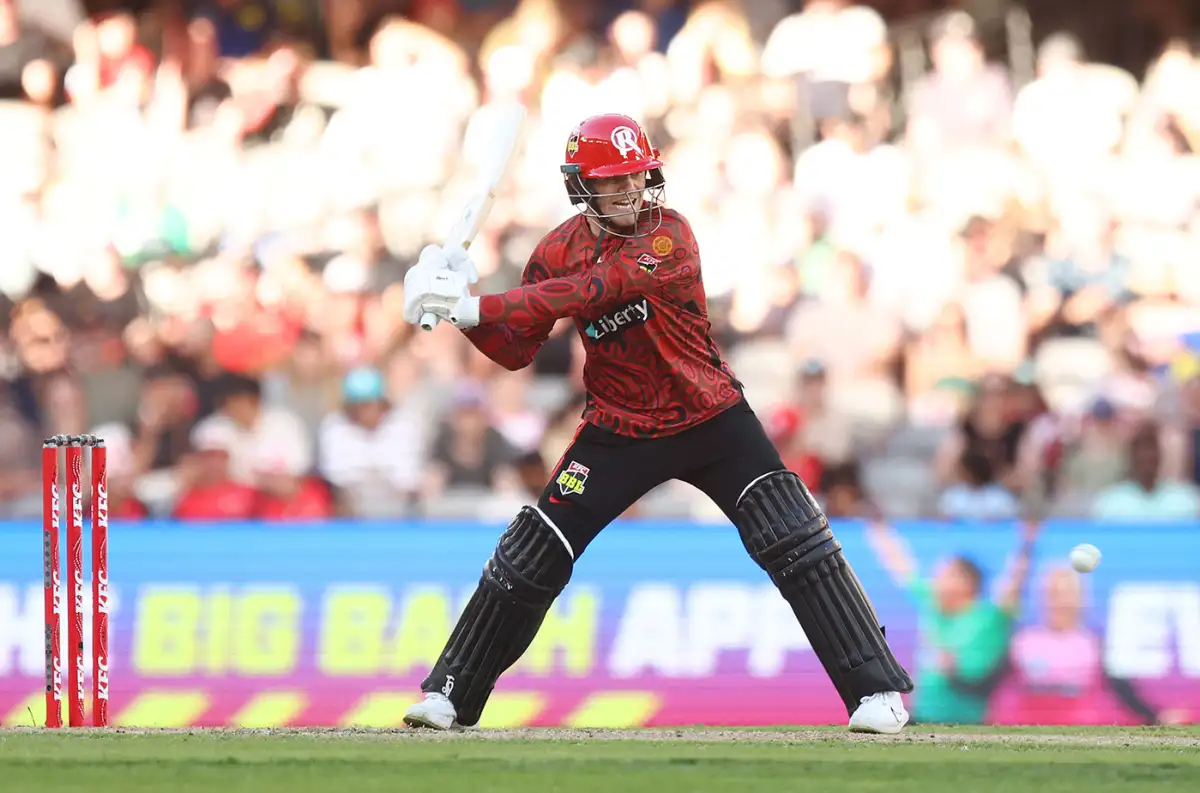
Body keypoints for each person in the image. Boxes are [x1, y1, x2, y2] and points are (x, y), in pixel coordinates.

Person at [400, 112, 913, 733]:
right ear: (580, 187)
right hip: (619, 429)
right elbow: (516, 350)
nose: (629, 192)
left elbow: (593, 291)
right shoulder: (557, 248)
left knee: (796, 539)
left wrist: (475, 303)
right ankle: (450, 694)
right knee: (529, 554)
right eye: (611, 182)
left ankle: (878, 694)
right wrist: (455, 308)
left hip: (711, 417)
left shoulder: (670, 235)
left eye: (636, 178)